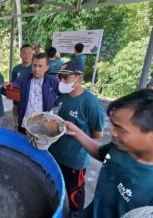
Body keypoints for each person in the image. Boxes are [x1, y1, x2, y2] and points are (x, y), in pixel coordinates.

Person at [64, 89, 153, 218]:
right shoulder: (122, 146)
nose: (112, 132)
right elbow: (102, 153)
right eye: (113, 125)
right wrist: (77, 132)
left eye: (120, 129)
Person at [48, 62, 105, 216]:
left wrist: (77, 132)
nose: (61, 81)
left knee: (75, 193)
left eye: (66, 77)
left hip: (75, 158)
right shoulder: (63, 96)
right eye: (60, 77)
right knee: (55, 183)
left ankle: (76, 214)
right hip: (56, 152)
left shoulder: (90, 102)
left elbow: (98, 135)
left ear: (79, 78)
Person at [10, 53, 59, 134]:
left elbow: (61, 95)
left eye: (40, 66)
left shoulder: (52, 81)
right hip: (24, 122)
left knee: (39, 144)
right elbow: (12, 88)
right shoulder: (23, 78)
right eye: (34, 65)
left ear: (47, 67)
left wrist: (52, 103)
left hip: (43, 123)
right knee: (22, 144)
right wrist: (7, 87)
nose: (36, 69)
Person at [10, 44, 34, 130]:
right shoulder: (16, 69)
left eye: (29, 53)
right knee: (18, 125)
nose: (27, 55)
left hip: (32, 102)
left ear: (32, 54)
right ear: (20, 54)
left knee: (31, 126)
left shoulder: (36, 68)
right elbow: (13, 84)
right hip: (18, 102)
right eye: (24, 53)